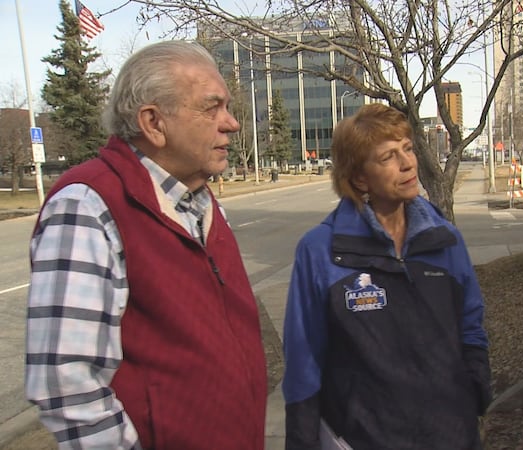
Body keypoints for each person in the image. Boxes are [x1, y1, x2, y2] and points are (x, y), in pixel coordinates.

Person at [25, 41, 267, 449]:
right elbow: (66, 382)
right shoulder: (88, 206)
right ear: (154, 123)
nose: (231, 123)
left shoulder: (204, 204)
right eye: (212, 108)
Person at [282, 104, 491, 449]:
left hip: (449, 435)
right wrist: (302, 440)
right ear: (360, 177)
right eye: (388, 157)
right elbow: (304, 359)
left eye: (407, 148)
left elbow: (470, 322)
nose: (408, 163)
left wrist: (474, 391)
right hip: (365, 437)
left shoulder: (444, 239)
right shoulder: (320, 251)